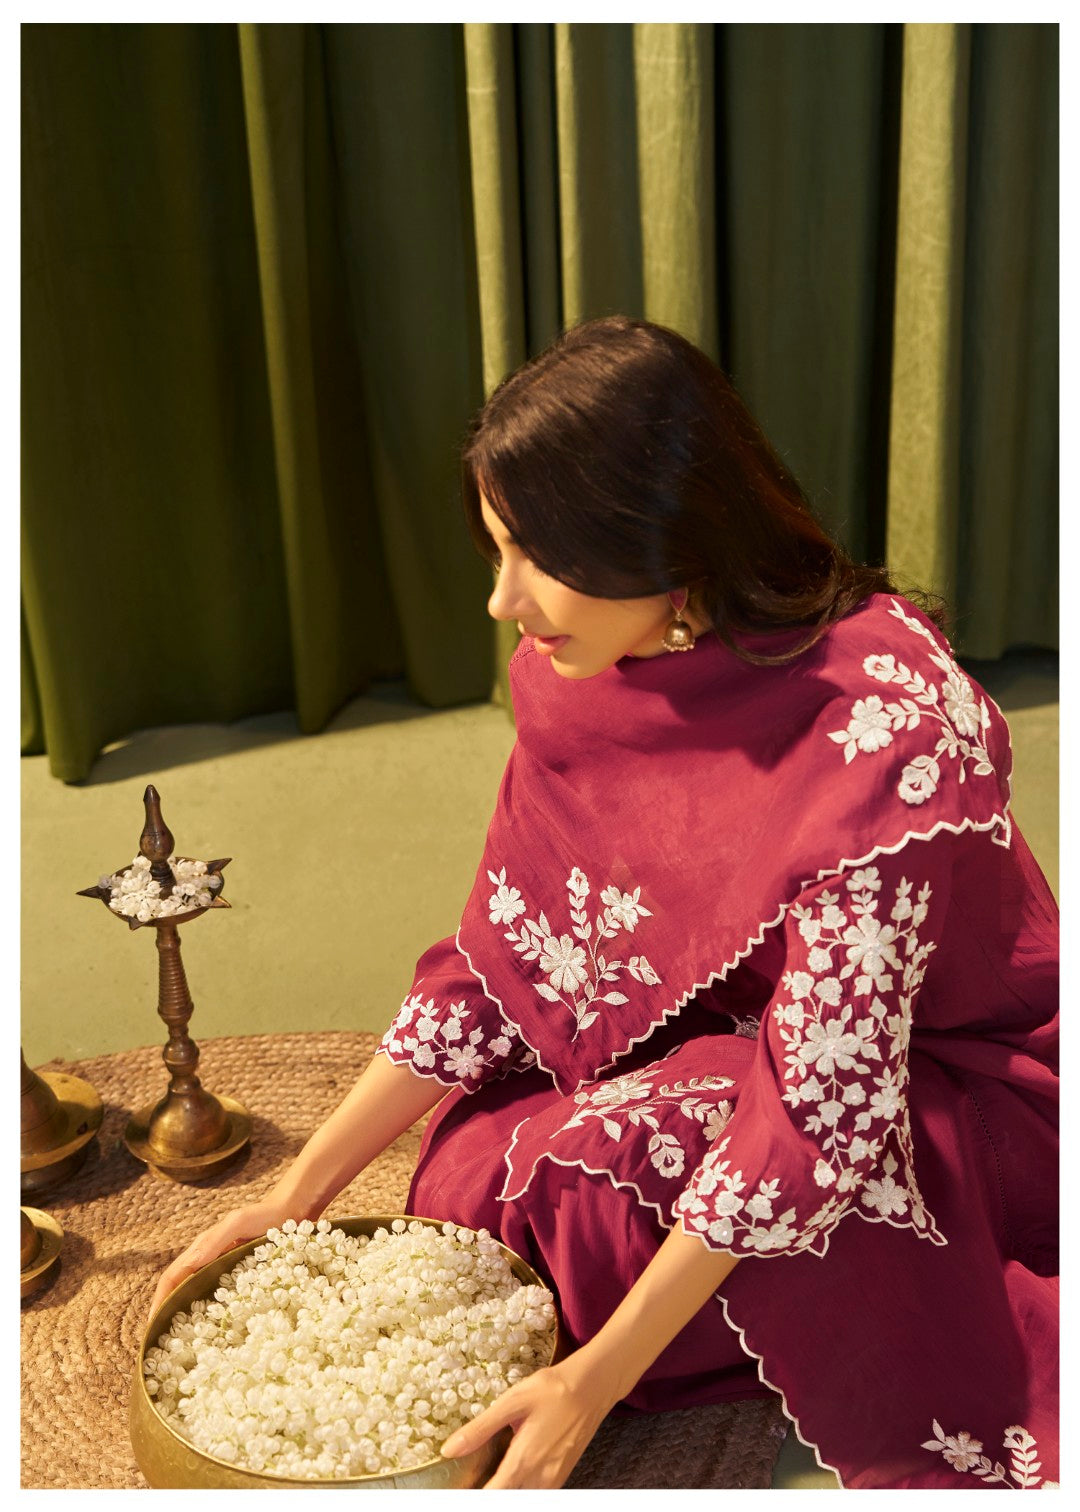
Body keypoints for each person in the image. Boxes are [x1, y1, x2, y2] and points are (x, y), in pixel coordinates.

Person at [150, 316, 1059, 1490]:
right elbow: (505, 959)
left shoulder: (886, 732)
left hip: (930, 1086)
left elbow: (822, 1112)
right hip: (731, 1024)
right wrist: (295, 1195)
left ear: (663, 542)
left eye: (538, 559)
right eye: (496, 553)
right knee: (471, 1183)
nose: (503, 602)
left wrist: (592, 1383)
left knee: (575, 1207)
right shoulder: (576, 675)